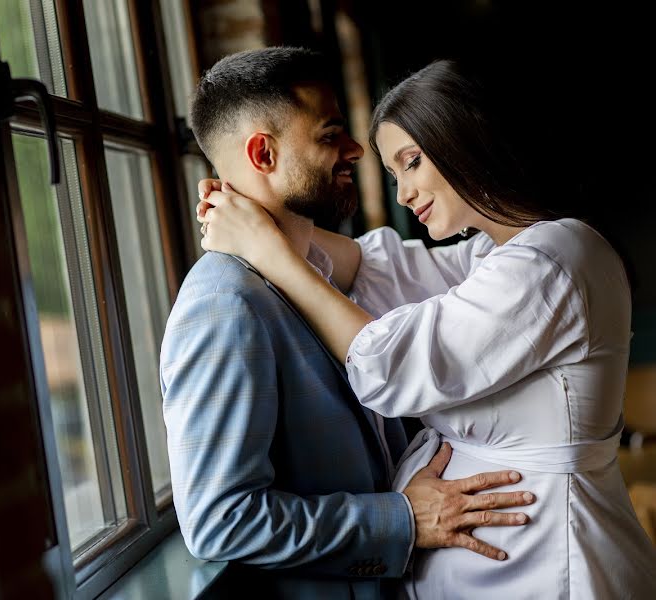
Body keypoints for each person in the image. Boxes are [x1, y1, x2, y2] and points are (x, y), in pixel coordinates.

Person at [196, 58, 656, 598]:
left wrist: (266, 250)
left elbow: (390, 363)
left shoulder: (553, 260)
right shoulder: (497, 257)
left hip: (552, 561)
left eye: (410, 163)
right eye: (395, 174)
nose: (403, 194)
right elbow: (375, 267)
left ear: (464, 141)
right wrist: (256, 221)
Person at [160, 48, 535, 600]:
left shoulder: (314, 271)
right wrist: (405, 520)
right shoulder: (223, 305)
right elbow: (221, 521)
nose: (355, 150)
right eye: (330, 134)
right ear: (263, 153)